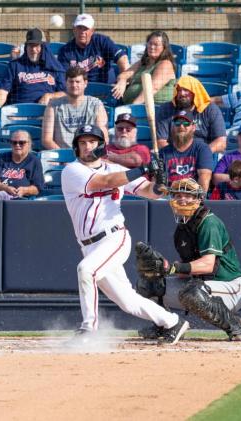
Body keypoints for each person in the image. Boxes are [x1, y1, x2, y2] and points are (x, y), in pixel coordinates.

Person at [61, 124, 189, 345]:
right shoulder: (72, 171)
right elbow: (105, 182)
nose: (87, 147)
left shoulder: (114, 170)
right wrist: (144, 167)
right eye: (82, 143)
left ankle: (88, 329)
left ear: (101, 145)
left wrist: (159, 179)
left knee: (86, 270)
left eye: (92, 142)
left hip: (114, 237)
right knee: (127, 301)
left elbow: (151, 193)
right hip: (89, 244)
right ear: (76, 147)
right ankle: (171, 321)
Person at [134, 178, 241, 341]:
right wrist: (163, 270)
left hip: (229, 286)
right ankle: (166, 325)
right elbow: (188, 271)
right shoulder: (181, 229)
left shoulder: (209, 222)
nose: (182, 199)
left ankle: (236, 326)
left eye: (188, 196)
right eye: (178, 195)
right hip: (201, 286)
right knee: (148, 284)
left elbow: (208, 265)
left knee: (192, 292)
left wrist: (174, 268)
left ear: (198, 199)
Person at [0, 28, 66, 108]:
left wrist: (50, 96)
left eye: (37, 45)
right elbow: (3, 91)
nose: (34, 50)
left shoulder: (53, 66)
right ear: (26, 47)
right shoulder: (15, 66)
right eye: (31, 45)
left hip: (46, 112)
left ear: (42, 47)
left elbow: (66, 93)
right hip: (19, 112)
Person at [42, 66, 109, 150]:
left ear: (85, 83)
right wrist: (64, 156)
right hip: (62, 156)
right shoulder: (53, 105)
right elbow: (47, 140)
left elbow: (103, 137)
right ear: (66, 83)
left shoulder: (96, 104)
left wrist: (89, 155)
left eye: (77, 82)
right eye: (71, 81)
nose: (74, 85)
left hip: (89, 155)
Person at [156, 76, 226, 152]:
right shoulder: (166, 109)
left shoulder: (211, 109)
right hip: (173, 156)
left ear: (195, 91)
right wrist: (178, 156)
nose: (182, 93)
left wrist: (202, 154)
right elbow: (161, 142)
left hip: (202, 155)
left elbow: (221, 143)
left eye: (186, 90)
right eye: (178, 90)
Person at [57, 13, 129, 84]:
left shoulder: (102, 41)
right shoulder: (65, 51)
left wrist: (122, 80)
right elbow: (64, 78)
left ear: (92, 31)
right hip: (79, 91)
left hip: (106, 89)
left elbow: (122, 58)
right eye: (79, 28)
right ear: (74, 30)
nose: (82, 32)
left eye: (86, 28)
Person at [111, 30, 176, 105]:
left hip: (155, 107)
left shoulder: (165, 64)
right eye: (150, 43)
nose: (152, 47)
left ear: (164, 47)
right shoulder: (143, 62)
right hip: (132, 105)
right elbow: (124, 75)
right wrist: (122, 81)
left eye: (156, 44)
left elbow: (152, 89)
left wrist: (133, 107)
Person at [159, 110, 214, 192]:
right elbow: (159, 183)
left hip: (193, 197)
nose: (181, 126)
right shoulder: (163, 152)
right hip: (170, 197)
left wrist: (196, 200)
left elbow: (204, 178)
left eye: (186, 123)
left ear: (193, 127)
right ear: (173, 127)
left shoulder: (202, 149)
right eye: (177, 123)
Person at [0, 130, 44, 200]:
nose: (17, 145)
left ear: (29, 144)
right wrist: (6, 188)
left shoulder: (34, 161)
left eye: (21, 142)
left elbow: (37, 188)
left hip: (22, 200)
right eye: (14, 142)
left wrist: (25, 190)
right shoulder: (0, 158)